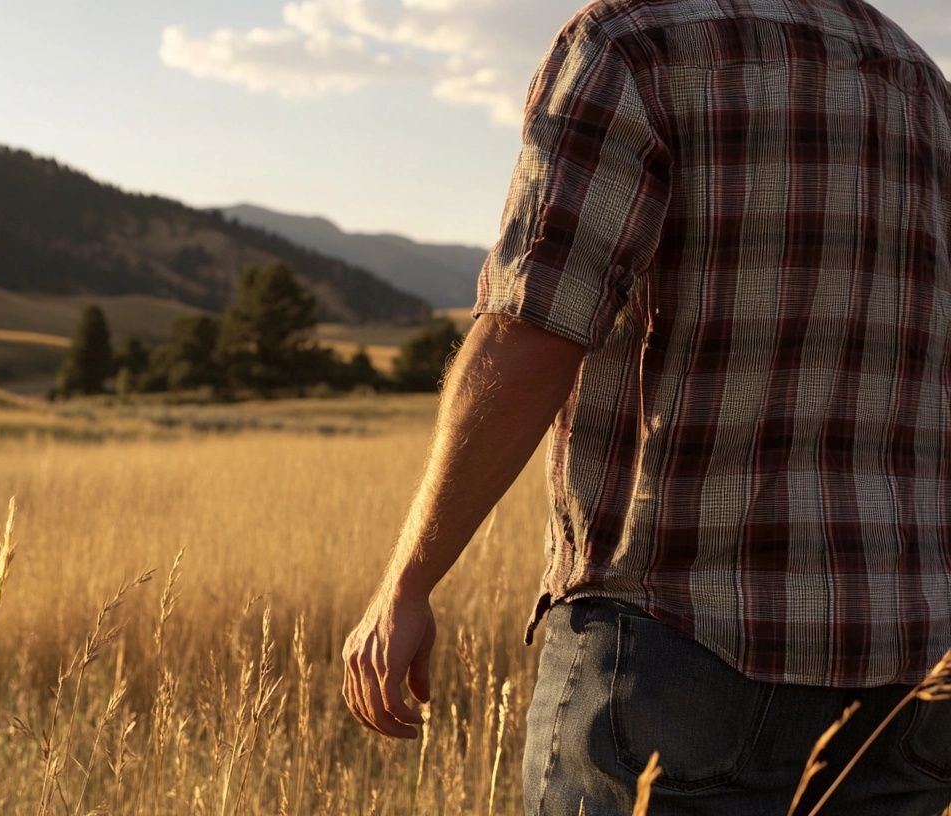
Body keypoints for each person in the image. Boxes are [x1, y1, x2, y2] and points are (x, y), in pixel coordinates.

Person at [341, 0, 951, 813]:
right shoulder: (921, 84)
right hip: (909, 679)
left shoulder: (633, 44)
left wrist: (406, 585)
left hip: (672, 650)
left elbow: (531, 331)